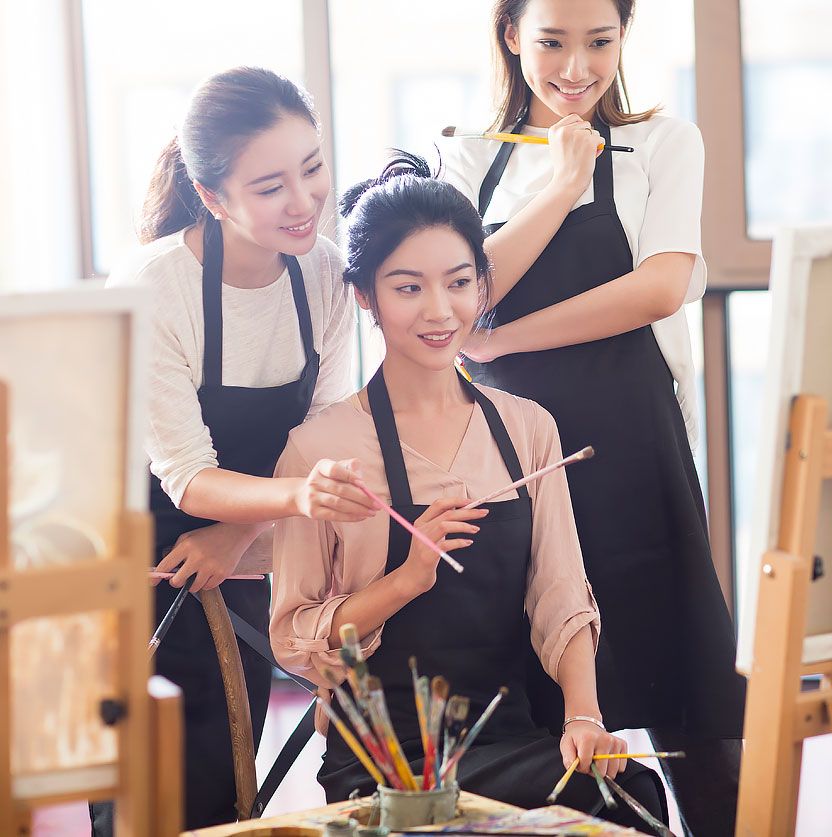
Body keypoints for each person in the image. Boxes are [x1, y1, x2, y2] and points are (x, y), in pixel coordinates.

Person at [269, 153, 665, 830]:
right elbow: (291, 635)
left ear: (483, 285)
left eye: (458, 282)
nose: (439, 310)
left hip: (507, 734)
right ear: (363, 295)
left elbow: (562, 594)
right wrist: (406, 579)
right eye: (407, 288)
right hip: (381, 758)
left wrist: (583, 716)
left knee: (630, 800)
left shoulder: (527, 429)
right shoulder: (319, 451)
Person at [440, 1, 744, 831]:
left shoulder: (664, 142)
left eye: (599, 42)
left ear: (624, 38)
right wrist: (563, 182)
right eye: (550, 42)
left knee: (685, 686)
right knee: (547, 694)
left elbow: (660, 286)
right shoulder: (463, 157)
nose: (576, 67)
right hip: (511, 460)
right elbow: (461, 292)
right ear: (510, 36)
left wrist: (502, 345)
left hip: (632, 444)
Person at [98, 66, 370, 832]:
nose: (304, 199)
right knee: (173, 778)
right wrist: (277, 506)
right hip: (156, 550)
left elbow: (316, 427)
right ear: (214, 198)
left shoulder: (322, 268)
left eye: (312, 167)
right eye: (271, 184)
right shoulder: (156, 283)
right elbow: (185, 474)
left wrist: (244, 530)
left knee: (238, 756)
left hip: (242, 537)